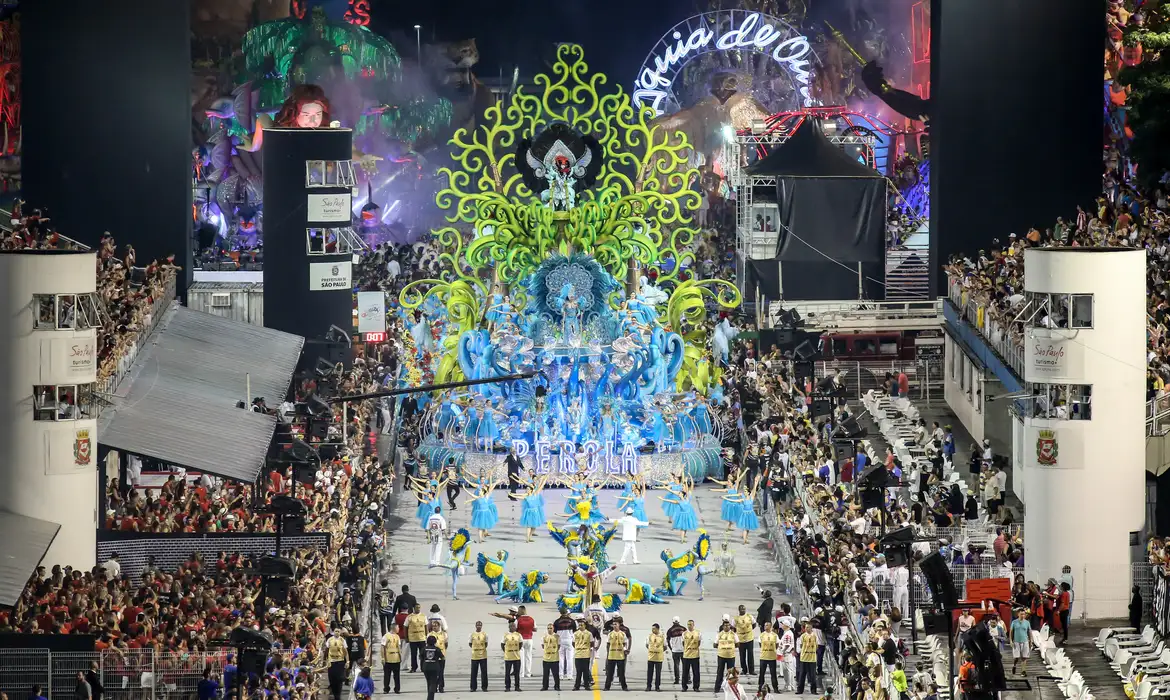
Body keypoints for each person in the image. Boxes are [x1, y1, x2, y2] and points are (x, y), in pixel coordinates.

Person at [604, 619, 629, 691]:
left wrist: (625, 650)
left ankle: (624, 686)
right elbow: (608, 644)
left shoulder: (622, 634)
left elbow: (624, 643)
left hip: (620, 656)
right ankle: (607, 686)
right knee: (610, 673)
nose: (614, 626)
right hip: (612, 655)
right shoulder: (610, 634)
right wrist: (608, 652)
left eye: (616, 624)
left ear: (619, 625)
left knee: (621, 673)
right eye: (613, 624)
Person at [326, 626, 349, 700]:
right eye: (336, 631)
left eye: (338, 631)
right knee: (332, 680)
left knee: (339, 680)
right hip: (331, 662)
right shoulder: (329, 640)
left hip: (340, 662)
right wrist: (325, 661)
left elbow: (345, 652)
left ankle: (338, 696)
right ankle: (334, 693)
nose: (337, 632)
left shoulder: (342, 640)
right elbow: (326, 650)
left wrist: (347, 661)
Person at [715, 619, 738, 692]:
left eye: (728, 625)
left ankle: (731, 688)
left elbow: (737, 644)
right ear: (723, 626)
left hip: (730, 656)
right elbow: (715, 644)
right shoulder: (719, 634)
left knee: (731, 673)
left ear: (730, 626)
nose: (726, 627)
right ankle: (717, 688)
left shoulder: (733, 634)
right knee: (720, 672)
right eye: (725, 625)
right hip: (721, 656)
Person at [553, 607, 577, 677]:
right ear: (567, 612)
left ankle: (560, 674)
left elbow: (554, 633)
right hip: (569, 640)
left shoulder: (557, 621)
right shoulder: (572, 621)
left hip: (560, 640)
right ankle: (569, 675)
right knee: (569, 658)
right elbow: (575, 631)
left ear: (560, 613)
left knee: (561, 658)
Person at [796, 622, 819, 694]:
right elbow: (800, 646)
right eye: (806, 627)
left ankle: (813, 690)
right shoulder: (802, 636)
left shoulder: (815, 636)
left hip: (812, 659)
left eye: (808, 627)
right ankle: (800, 690)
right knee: (802, 675)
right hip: (804, 658)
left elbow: (817, 646)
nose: (806, 628)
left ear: (811, 628)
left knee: (812, 676)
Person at [573, 619, 595, 690]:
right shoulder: (576, 633)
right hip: (578, 654)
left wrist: (586, 647)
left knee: (585, 671)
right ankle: (577, 686)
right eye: (579, 625)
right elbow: (573, 643)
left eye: (582, 625)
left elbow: (592, 643)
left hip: (586, 654)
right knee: (578, 671)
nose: (580, 626)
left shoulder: (589, 633)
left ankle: (586, 685)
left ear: (585, 625)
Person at [516, 604, 537, 678]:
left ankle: (521, 674)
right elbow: (535, 629)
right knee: (528, 656)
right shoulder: (531, 619)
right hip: (529, 639)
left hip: (521, 639)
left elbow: (515, 628)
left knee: (521, 657)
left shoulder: (518, 620)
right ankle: (528, 673)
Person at [735, 604, 757, 675]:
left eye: (744, 609)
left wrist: (748, 630)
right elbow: (733, 627)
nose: (743, 610)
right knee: (742, 655)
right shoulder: (736, 618)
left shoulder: (749, 616)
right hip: (740, 639)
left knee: (750, 655)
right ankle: (744, 670)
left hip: (749, 638)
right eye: (741, 609)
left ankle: (751, 670)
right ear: (739, 610)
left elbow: (754, 624)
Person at [381, 623, 403, 694]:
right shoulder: (386, 636)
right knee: (387, 675)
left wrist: (400, 656)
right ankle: (386, 689)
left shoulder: (397, 636)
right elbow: (382, 647)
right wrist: (383, 658)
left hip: (396, 659)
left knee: (397, 676)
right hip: (388, 659)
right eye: (398, 628)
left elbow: (399, 647)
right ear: (394, 628)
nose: (399, 629)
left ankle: (397, 689)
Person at [406, 604, 428, 672]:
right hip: (413, 638)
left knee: (423, 654)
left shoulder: (423, 616)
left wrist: (427, 636)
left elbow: (426, 626)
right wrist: (406, 637)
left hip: (422, 638)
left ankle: (423, 667)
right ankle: (414, 667)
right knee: (413, 654)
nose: (418, 609)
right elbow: (405, 626)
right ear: (414, 608)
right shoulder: (409, 617)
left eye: (419, 607)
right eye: (416, 608)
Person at [502, 621, 524, 691]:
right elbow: (502, 644)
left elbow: (520, 643)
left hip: (516, 657)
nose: (512, 627)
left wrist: (517, 650)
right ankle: (507, 687)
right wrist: (506, 651)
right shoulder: (505, 635)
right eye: (511, 626)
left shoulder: (518, 635)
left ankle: (517, 686)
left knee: (517, 673)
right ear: (509, 627)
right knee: (507, 673)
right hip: (508, 657)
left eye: (514, 626)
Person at [422, 635, 445, 700]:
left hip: (426, 667)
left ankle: (429, 694)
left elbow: (421, 657)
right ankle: (430, 698)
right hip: (434, 667)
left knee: (428, 682)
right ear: (435, 642)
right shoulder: (437, 649)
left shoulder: (424, 649)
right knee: (433, 683)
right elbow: (442, 657)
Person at [758, 621, 779, 691]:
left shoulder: (775, 635)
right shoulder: (761, 635)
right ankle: (760, 687)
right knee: (761, 673)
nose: (765, 626)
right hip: (763, 657)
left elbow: (777, 644)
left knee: (773, 674)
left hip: (772, 657)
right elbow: (760, 644)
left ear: (770, 626)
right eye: (765, 625)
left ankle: (775, 688)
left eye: (767, 625)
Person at [1010, 609, 1032, 675]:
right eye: (1021, 614)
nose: (1023, 615)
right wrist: (1011, 640)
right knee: (1016, 657)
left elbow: (1029, 632)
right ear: (1018, 614)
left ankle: (1023, 671)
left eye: (1024, 614)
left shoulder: (1027, 622)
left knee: (1024, 657)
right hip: (1016, 642)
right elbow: (1011, 632)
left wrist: (1031, 641)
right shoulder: (1014, 622)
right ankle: (1014, 665)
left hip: (1025, 641)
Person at [469, 620, 489, 691]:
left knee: (484, 673)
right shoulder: (472, 634)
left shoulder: (484, 634)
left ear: (481, 626)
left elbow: (486, 644)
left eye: (480, 625)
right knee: (473, 673)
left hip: (483, 656)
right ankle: (473, 687)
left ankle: (484, 687)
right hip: (474, 656)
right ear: (475, 626)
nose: (479, 627)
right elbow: (470, 644)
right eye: (477, 625)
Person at [683, 619, 702, 691]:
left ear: (693, 625)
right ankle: (684, 687)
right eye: (688, 624)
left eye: (690, 624)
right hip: (686, 655)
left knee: (696, 673)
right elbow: (683, 643)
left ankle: (696, 687)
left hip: (695, 655)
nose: (689, 626)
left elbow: (699, 643)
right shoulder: (684, 633)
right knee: (685, 673)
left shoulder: (698, 633)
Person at [542, 622, 562, 691]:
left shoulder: (556, 636)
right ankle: (545, 686)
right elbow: (542, 645)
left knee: (556, 674)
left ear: (553, 629)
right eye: (548, 628)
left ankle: (557, 686)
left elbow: (559, 645)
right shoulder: (544, 636)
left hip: (554, 658)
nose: (549, 629)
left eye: (551, 628)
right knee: (545, 674)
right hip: (546, 658)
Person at [647, 622, 666, 692]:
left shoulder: (662, 636)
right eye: (652, 629)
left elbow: (665, 646)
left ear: (658, 629)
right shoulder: (650, 636)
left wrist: (658, 650)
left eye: (654, 629)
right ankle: (648, 686)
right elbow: (647, 645)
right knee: (649, 673)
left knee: (658, 674)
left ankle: (657, 686)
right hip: (651, 658)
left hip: (659, 658)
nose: (653, 630)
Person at [667, 616, 687, 685]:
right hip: (683, 650)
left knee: (676, 665)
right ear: (679, 621)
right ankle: (687, 679)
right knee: (685, 665)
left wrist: (671, 648)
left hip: (675, 650)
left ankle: (677, 679)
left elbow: (668, 640)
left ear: (673, 621)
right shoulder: (684, 629)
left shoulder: (670, 630)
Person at [778, 619, 795, 692]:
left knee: (788, 670)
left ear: (786, 625)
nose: (781, 625)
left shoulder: (788, 634)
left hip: (786, 654)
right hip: (785, 654)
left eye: (782, 624)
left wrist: (782, 651)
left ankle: (790, 686)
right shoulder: (787, 633)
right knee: (785, 671)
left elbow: (787, 645)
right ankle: (788, 684)